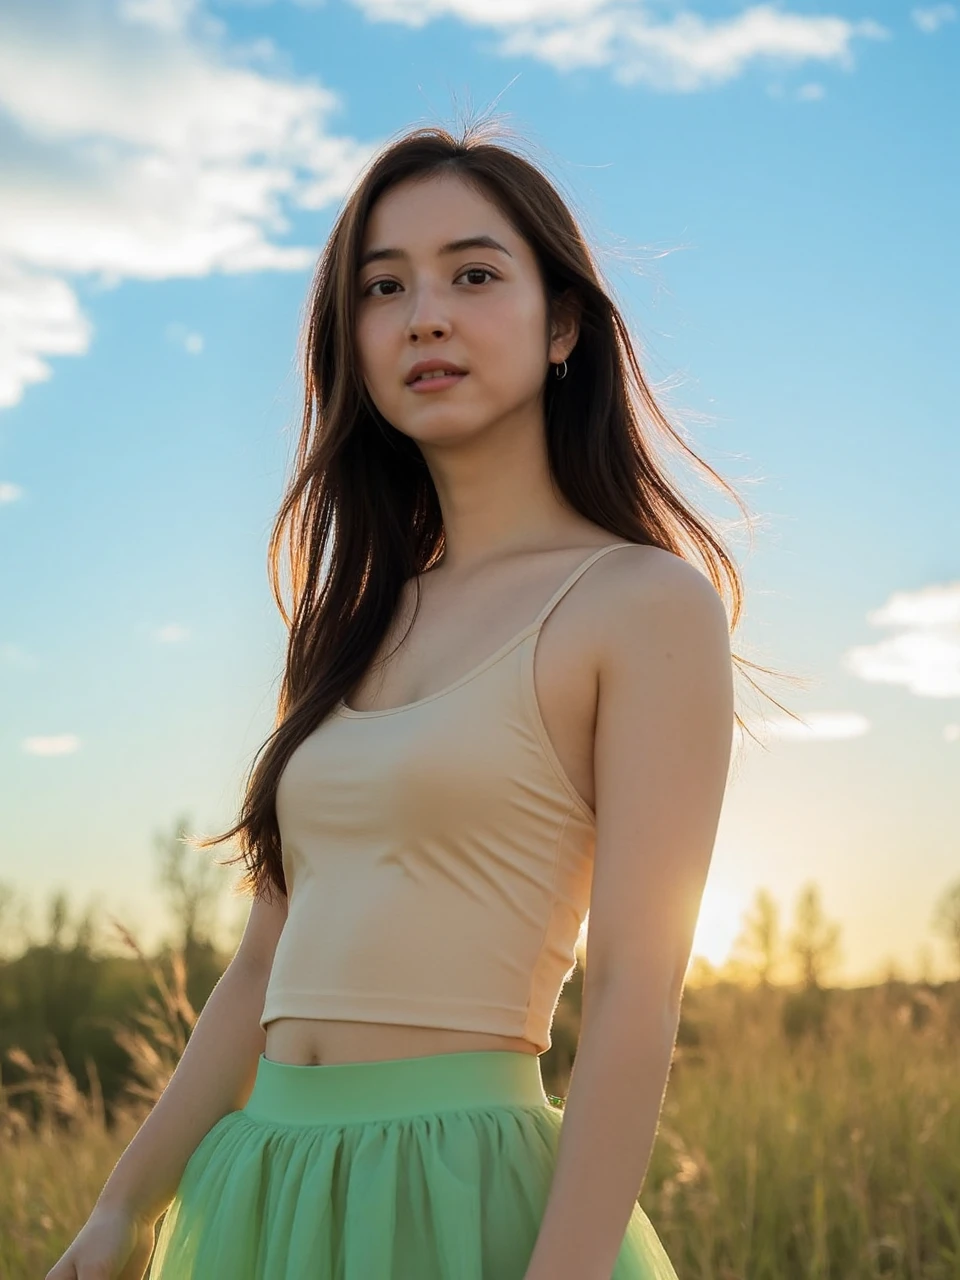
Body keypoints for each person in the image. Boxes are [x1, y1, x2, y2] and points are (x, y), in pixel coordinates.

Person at [47, 117, 774, 1280]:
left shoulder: (640, 602)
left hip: (461, 1192)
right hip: (261, 1188)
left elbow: (639, 985)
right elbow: (262, 960)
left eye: (474, 274)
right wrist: (123, 1203)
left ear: (564, 326)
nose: (425, 313)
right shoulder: (350, 621)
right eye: (384, 287)